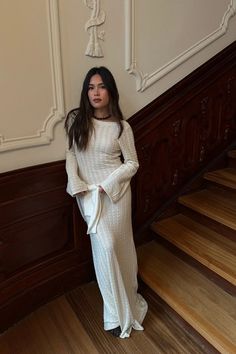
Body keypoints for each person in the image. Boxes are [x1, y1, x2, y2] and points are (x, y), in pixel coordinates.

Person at [64, 66, 148, 338]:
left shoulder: (121, 127)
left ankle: (119, 308)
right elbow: (71, 155)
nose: (95, 92)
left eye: (101, 86)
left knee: (117, 246)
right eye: (91, 87)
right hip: (88, 197)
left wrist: (108, 184)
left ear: (110, 91)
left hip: (116, 195)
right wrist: (75, 183)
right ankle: (114, 309)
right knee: (104, 249)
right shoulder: (77, 121)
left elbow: (132, 163)